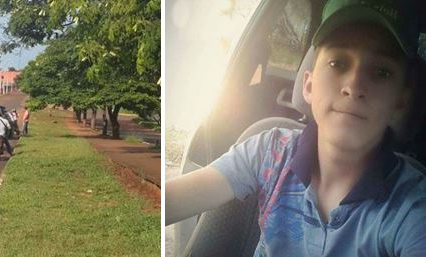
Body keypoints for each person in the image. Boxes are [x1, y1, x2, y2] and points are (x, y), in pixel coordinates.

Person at [165, 1, 426, 256]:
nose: (354, 85)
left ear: (401, 99)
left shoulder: (411, 205)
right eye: (338, 63)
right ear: (309, 86)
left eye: (381, 72)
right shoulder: (268, 152)